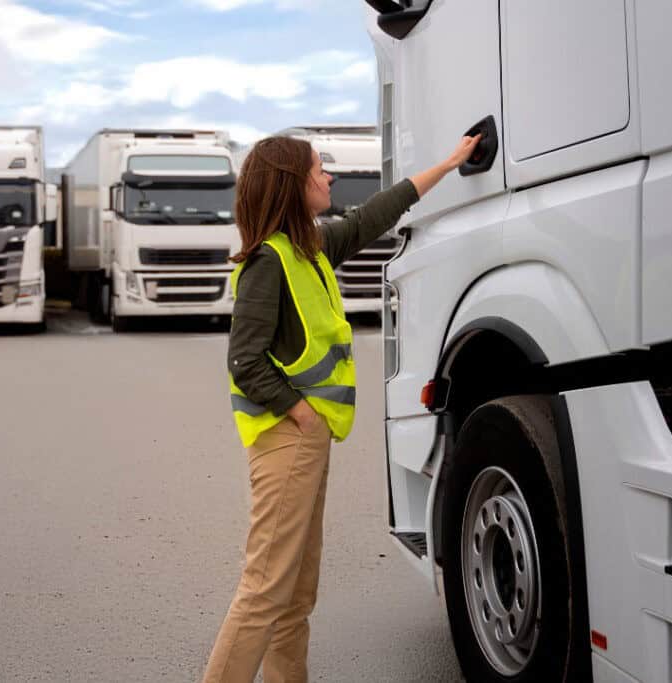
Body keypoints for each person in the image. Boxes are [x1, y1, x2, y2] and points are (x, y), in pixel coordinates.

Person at [202, 132, 481, 683]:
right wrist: (300, 413)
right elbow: (245, 362)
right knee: (265, 589)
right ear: (292, 182)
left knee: (295, 593)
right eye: (318, 168)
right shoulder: (269, 263)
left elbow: (370, 219)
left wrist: (447, 164)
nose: (328, 176)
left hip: (307, 438)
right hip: (288, 437)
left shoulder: (308, 249)